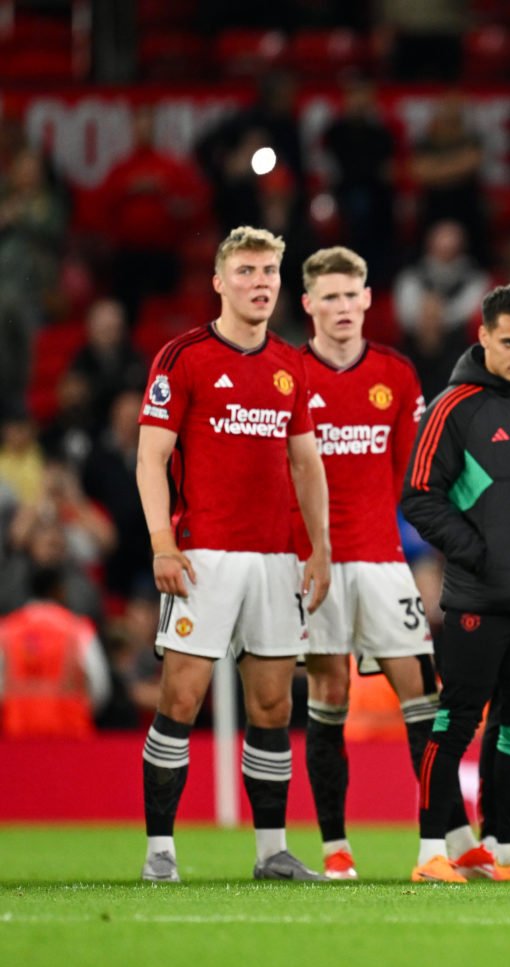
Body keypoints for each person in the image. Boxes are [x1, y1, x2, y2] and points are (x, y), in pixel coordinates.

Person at [135, 225, 332, 883]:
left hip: (276, 559)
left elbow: (305, 462)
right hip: (203, 555)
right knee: (182, 699)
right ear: (219, 281)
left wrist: (320, 548)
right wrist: (163, 542)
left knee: (273, 706)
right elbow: (151, 457)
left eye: (270, 271)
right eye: (247, 271)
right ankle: (160, 851)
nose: (260, 283)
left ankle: (271, 850)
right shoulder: (183, 356)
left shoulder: (290, 364)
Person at [402, 284, 510, 885]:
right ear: (482, 337)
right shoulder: (454, 408)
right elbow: (419, 496)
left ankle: (508, 850)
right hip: (480, 601)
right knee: (456, 720)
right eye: (509, 342)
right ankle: (432, 850)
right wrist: (476, 551)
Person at [295, 246, 438, 880]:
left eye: (352, 295)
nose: (343, 307)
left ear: (368, 299)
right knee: (329, 695)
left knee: (421, 692)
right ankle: (335, 848)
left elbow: (414, 477)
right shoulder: (290, 375)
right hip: (315, 565)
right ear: (308, 305)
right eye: (330, 296)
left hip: (382, 560)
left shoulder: (397, 374)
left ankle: (434, 846)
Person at [0, 567, 111, 738]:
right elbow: (100, 687)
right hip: (71, 733)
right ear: (58, 590)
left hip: (16, 733)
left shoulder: (6, 630)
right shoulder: (78, 629)